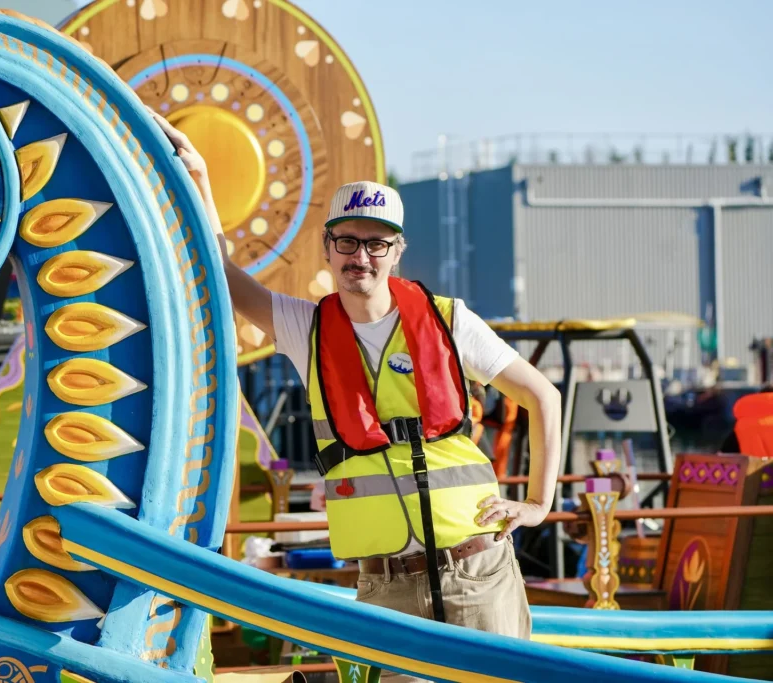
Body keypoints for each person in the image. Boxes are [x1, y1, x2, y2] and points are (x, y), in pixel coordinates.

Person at [152, 113, 561, 678]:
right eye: (347, 241)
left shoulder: (448, 322)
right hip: (386, 588)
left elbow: (545, 397)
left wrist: (537, 504)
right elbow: (222, 274)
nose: (360, 257)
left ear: (397, 251)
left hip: (477, 573)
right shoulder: (306, 330)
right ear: (328, 249)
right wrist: (199, 175)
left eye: (375, 243)